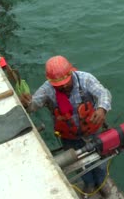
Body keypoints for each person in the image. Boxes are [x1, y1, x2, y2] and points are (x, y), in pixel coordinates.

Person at [19, 55, 112, 195]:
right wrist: (26, 104)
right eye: (58, 84)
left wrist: (102, 109)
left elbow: (103, 93)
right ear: (50, 80)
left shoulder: (85, 79)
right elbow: (33, 106)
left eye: (65, 81)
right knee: (78, 164)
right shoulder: (47, 90)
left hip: (92, 132)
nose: (63, 86)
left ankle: (102, 181)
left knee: (100, 160)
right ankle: (89, 184)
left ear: (70, 73)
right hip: (69, 137)